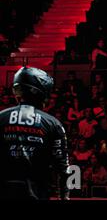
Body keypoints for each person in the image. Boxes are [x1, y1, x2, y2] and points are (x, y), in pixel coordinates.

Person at [0, 67, 70, 200]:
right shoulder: (53, 123)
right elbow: (65, 168)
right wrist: (65, 197)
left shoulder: (1, 118)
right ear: (40, 92)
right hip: (37, 194)